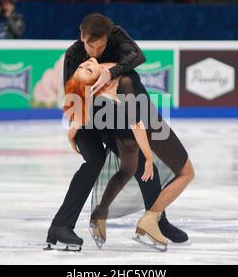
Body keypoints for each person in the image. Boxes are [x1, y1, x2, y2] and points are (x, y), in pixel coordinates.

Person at [45, 13, 188, 251]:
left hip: (115, 115)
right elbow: (73, 97)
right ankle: (60, 226)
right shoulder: (74, 56)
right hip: (87, 117)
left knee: (141, 159)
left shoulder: (115, 36)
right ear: (82, 37)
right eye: (92, 46)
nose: (97, 52)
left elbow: (138, 57)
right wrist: (74, 128)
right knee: (95, 161)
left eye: (101, 46)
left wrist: (109, 73)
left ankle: (157, 221)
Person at [64, 58, 195, 250]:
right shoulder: (118, 86)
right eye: (87, 70)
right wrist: (149, 157)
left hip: (120, 133)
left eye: (84, 65)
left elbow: (80, 114)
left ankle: (100, 213)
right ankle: (150, 221)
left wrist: (72, 132)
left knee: (127, 170)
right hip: (132, 131)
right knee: (175, 173)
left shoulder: (95, 92)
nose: (88, 63)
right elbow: (137, 125)